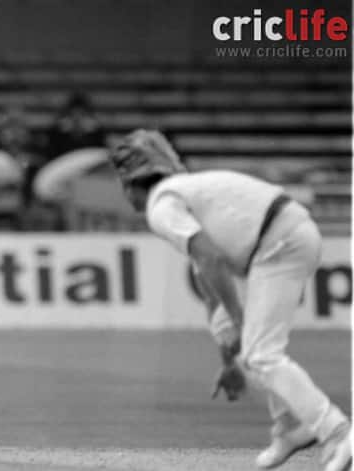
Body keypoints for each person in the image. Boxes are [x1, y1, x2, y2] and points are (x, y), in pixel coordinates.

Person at [107, 129, 351, 471]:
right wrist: (229, 359)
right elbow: (208, 283)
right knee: (243, 341)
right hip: (280, 238)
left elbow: (210, 260)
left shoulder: (161, 205)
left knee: (261, 353)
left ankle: (337, 431)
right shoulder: (185, 191)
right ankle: (290, 428)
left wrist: (240, 320)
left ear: (132, 185)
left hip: (279, 244)